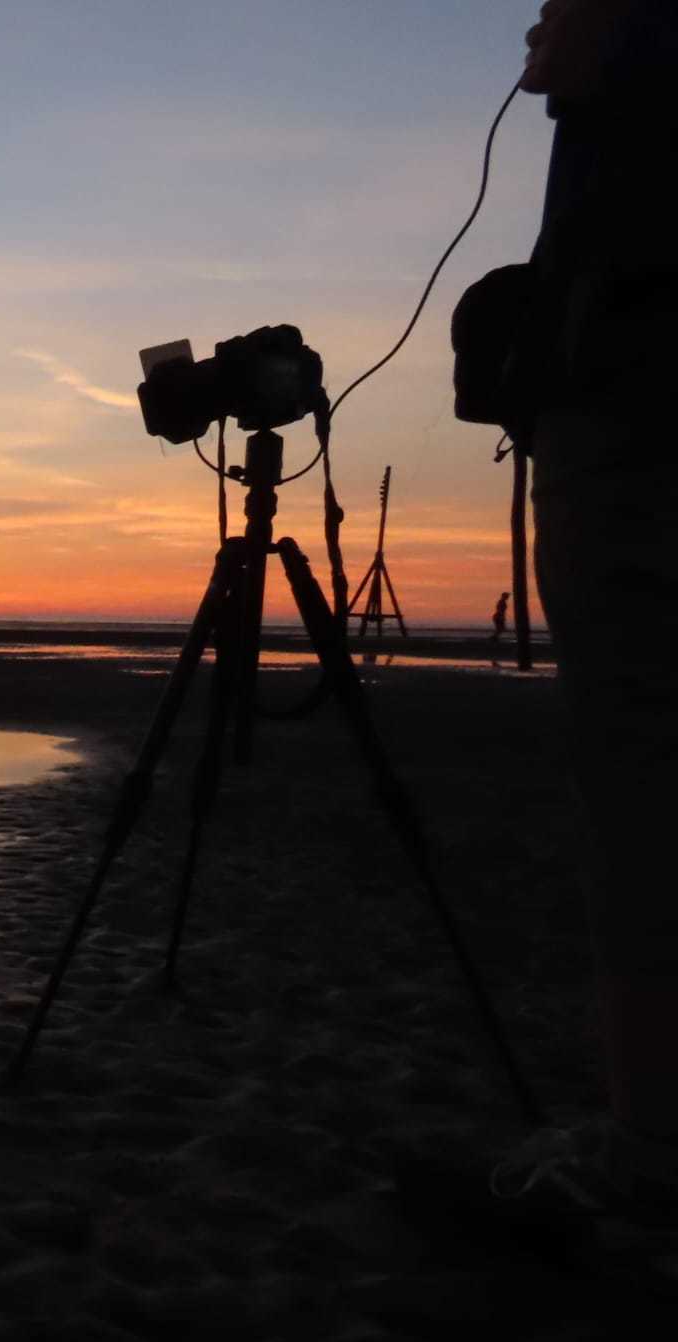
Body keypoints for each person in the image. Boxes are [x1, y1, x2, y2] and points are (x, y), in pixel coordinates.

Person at [491, 0, 678, 1226]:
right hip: (616, 383)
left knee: (638, 775)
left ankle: (647, 1155)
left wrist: (583, 39)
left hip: (632, 405)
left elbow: (582, 58)